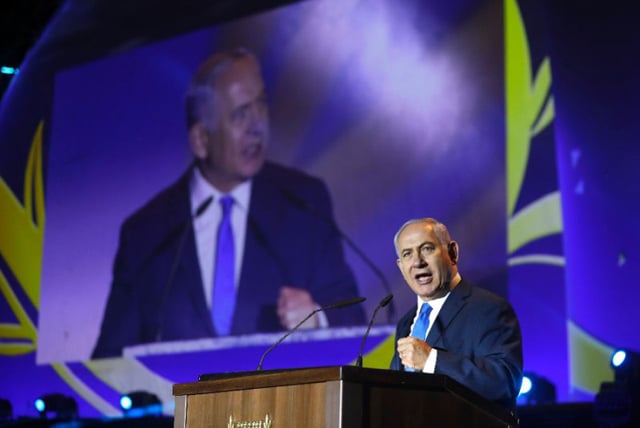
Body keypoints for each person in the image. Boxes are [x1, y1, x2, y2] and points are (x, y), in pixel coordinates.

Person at [92, 48, 365, 359]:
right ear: (200, 140)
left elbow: (353, 319)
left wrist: (316, 316)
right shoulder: (147, 232)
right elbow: (110, 360)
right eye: (240, 114)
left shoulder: (304, 202)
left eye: (261, 105)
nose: (257, 126)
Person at [390, 218, 523, 410]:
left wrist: (431, 360)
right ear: (401, 267)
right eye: (407, 254)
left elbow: (504, 382)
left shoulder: (488, 308)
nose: (418, 262)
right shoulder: (406, 323)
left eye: (427, 248)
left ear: (452, 253)